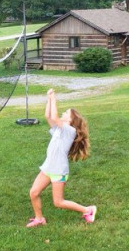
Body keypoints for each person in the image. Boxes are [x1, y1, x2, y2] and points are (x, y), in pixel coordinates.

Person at [26, 89, 96, 228]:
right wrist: (49, 99)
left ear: (71, 120)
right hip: (48, 168)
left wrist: (54, 98)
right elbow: (48, 116)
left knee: (58, 202)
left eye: (66, 113)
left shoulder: (70, 131)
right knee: (34, 193)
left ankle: (88, 210)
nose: (64, 113)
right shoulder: (59, 129)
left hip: (58, 170)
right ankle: (39, 219)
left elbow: (55, 116)